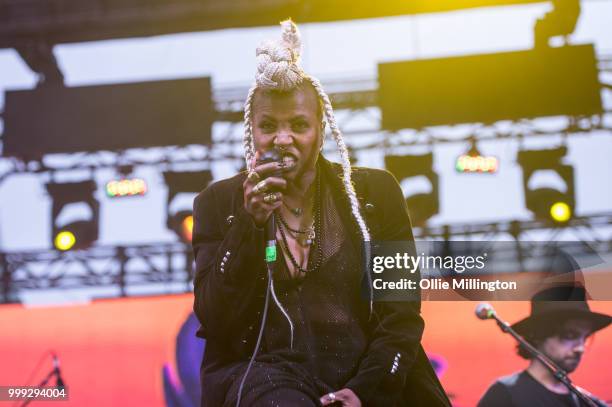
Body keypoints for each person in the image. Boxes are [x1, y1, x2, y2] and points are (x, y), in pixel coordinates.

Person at [191, 20, 450, 407]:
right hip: (264, 375)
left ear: (321, 128)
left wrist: (365, 390)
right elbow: (216, 318)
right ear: (252, 131)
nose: (282, 139)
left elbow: (401, 314)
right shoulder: (218, 204)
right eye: (268, 126)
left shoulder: (376, 194)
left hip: (366, 371)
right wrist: (249, 224)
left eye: (298, 125)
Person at [478, 285, 611, 407]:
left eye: (585, 338)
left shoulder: (585, 401)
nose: (580, 348)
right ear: (538, 335)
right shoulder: (505, 394)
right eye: (570, 335)